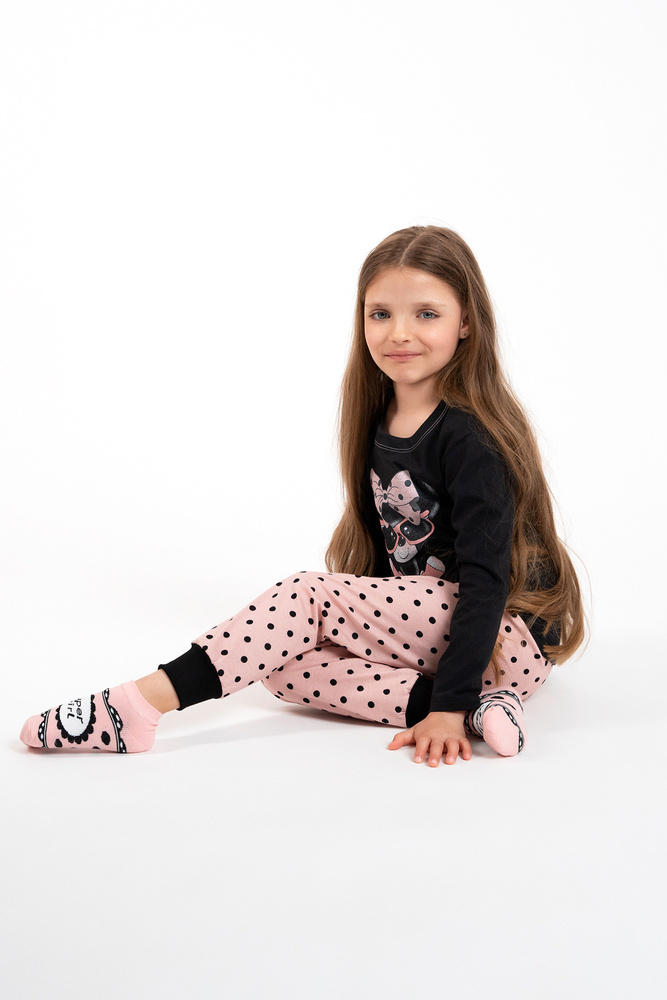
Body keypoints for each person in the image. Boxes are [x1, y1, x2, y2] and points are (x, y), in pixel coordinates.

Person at [19, 225, 586, 765]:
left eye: (426, 314)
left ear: (467, 323)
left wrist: (449, 702)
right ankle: (482, 710)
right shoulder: (379, 420)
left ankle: (137, 707)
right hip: (453, 645)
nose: (399, 333)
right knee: (278, 664)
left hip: (505, 635)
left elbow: (485, 581)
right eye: (380, 314)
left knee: (306, 598)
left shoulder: (469, 436)